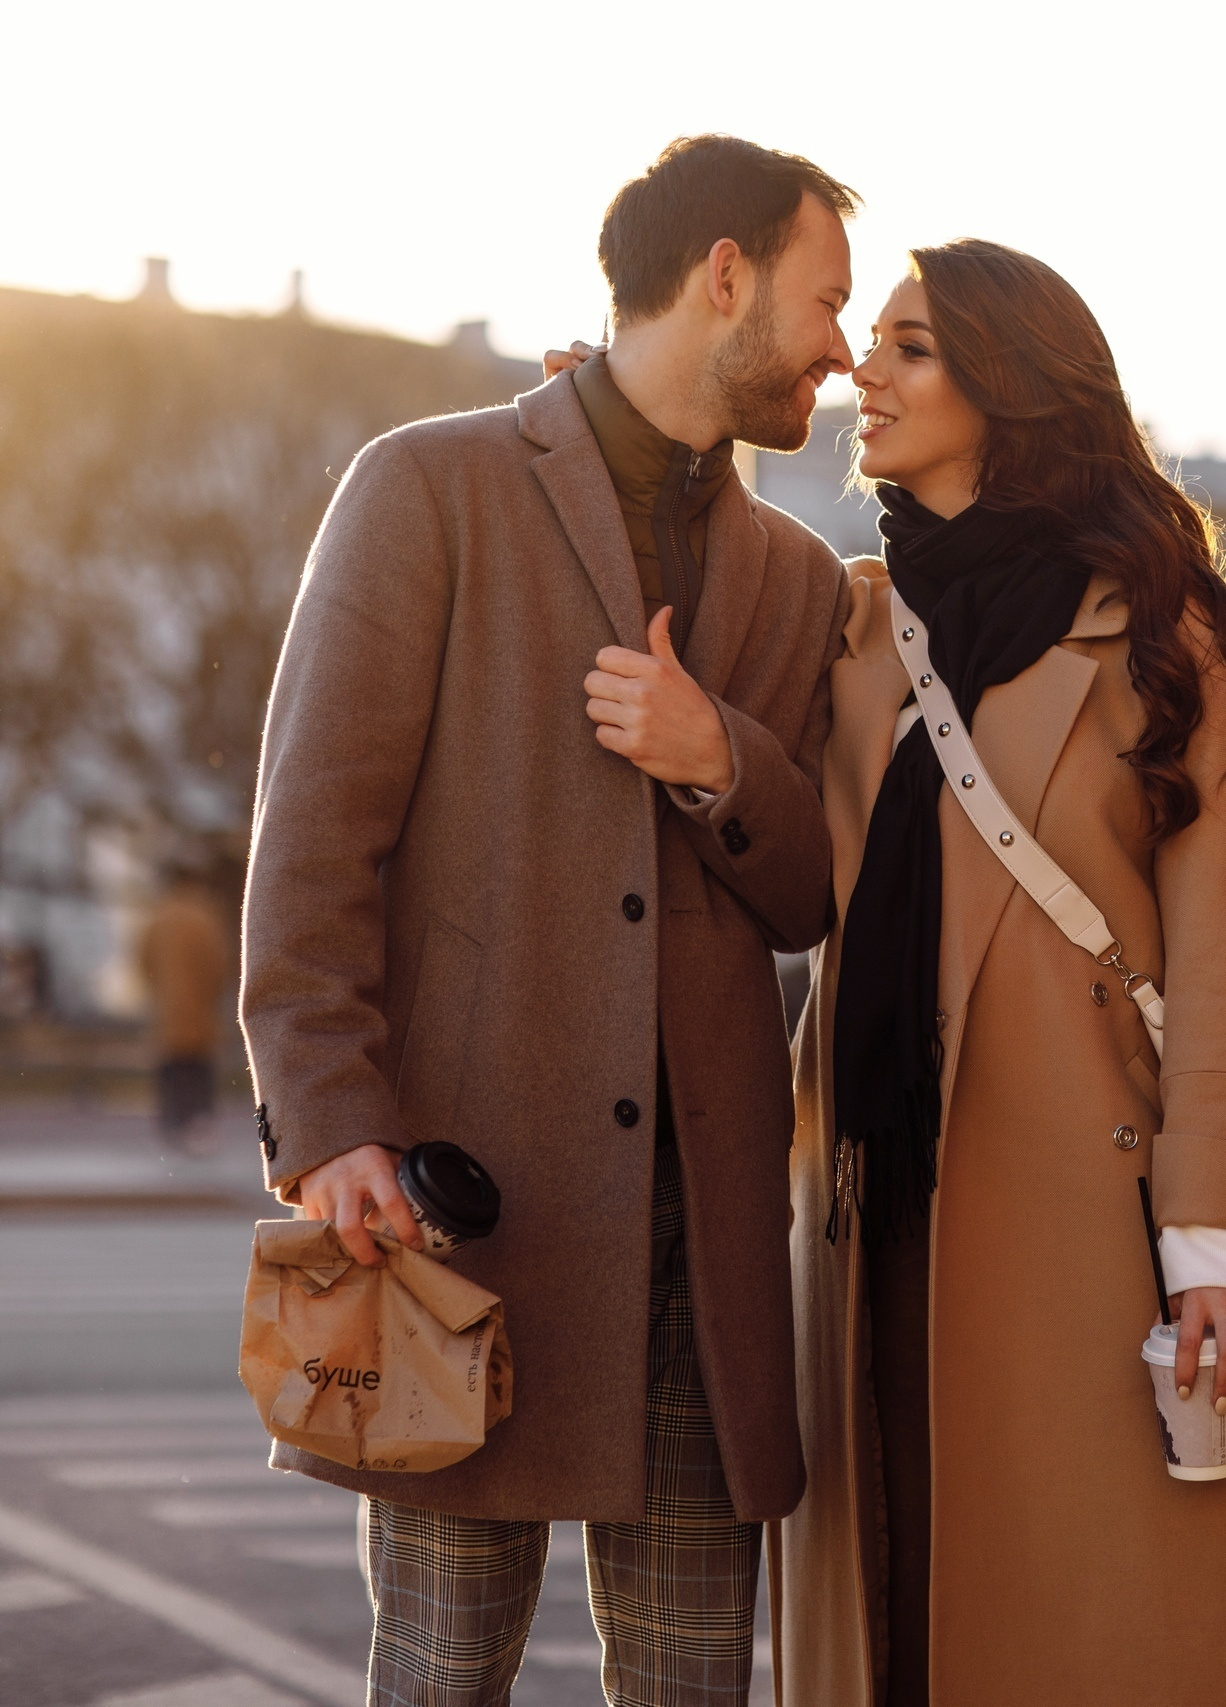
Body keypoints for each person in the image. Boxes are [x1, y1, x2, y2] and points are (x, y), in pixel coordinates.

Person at [240, 135, 858, 1707]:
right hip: (469, 1222)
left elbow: (805, 892)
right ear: (723, 273)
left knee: (690, 1686)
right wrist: (332, 1121)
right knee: (440, 1675)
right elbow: (315, 844)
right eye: (823, 298)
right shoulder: (427, 484)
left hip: (698, 1255)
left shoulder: (793, 575)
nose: (841, 348)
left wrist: (721, 758)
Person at [777, 239, 1226, 1704]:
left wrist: (1223, 1238)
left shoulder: (1153, 634)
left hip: (1095, 1226)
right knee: (904, 1596)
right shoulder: (854, 627)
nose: (866, 368)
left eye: (910, 346)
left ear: (1008, 383)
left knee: (1108, 1619)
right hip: (879, 1199)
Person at [138, 859, 228, 1150]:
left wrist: (159, 990)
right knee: (199, 1070)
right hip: (200, 1009)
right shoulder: (204, 917)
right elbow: (219, 965)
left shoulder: (158, 918)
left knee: (171, 1070)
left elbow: (143, 960)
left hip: (166, 1009)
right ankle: (198, 1125)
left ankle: (172, 1125)